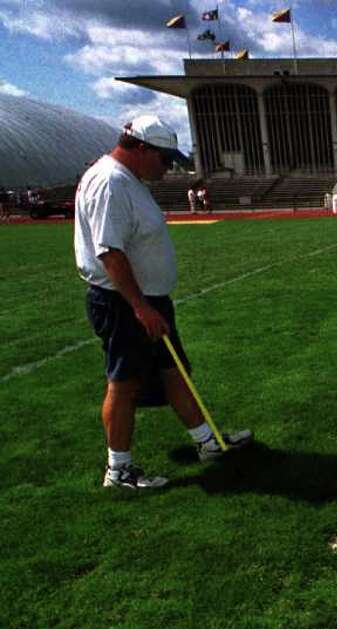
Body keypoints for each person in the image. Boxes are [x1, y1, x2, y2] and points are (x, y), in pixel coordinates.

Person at [74, 115, 252, 489]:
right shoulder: (110, 183)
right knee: (123, 382)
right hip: (125, 304)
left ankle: (207, 442)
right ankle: (118, 469)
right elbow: (109, 252)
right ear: (141, 148)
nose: (168, 167)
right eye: (164, 159)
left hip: (146, 301)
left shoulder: (129, 180)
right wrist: (140, 307)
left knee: (174, 371)